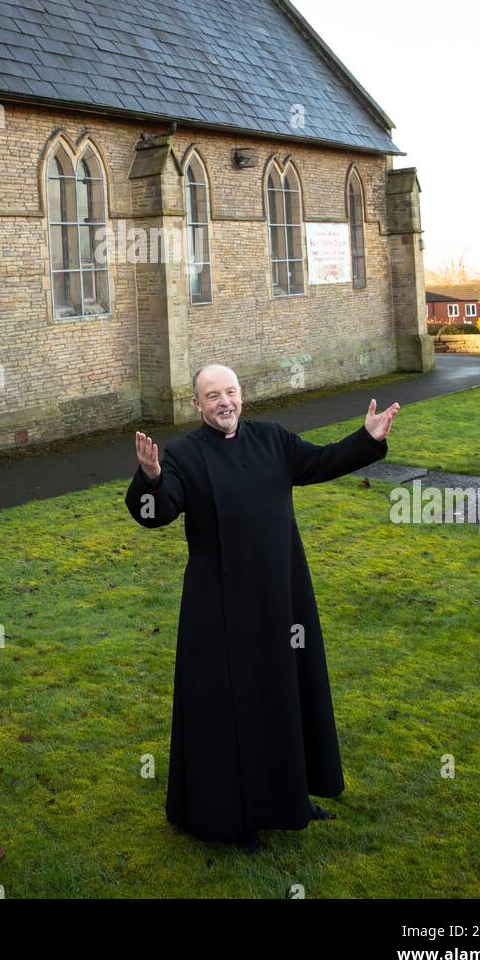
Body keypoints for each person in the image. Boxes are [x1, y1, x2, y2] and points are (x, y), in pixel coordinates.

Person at [123, 363, 400, 852]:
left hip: (281, 594)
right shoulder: (184, 456)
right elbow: (157, 513)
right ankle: (235, 816)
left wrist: (367, 438)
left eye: (230, 392)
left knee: (286, 691)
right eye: (212, 396)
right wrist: (150, 479)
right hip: (220, 608)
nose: (224, 402)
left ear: (241, 396)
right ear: (197, 404)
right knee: (232, 706)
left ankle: (291, 797)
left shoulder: (271, 438)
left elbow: (321, 463)